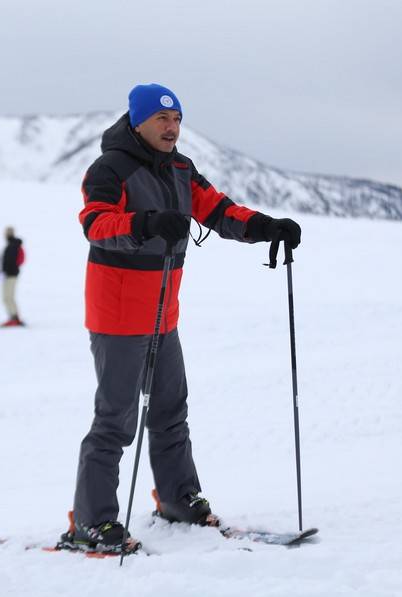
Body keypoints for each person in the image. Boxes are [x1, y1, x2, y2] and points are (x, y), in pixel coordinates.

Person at [66, 83, 301, 552]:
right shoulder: (110, 168)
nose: (172, 128)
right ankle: (90, 523)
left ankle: (177, 498)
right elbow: (96, 224)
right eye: (162, 120)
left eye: (176, 120)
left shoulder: (179, 168)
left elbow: (217, 209)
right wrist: (145, 223)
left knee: (172, 413)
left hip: (161, 314)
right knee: (116, 420)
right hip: (117, 316)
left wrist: (264, 227)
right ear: (139, 122)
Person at [1, 226, 25, 326]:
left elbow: (10, 261)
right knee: (7, 296)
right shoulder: (12, 244)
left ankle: (14, 317)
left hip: (11, 274)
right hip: (9, 274)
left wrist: (6, 271)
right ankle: (13, 316)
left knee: (8, 296)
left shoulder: (13, 245)